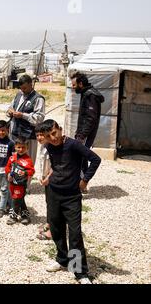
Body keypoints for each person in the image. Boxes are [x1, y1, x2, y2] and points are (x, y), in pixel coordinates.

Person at [40, 119, 101, 284]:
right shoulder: (48, 146)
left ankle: (79, 272)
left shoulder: (73, 145)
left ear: (60, 129)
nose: (52, 138)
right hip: (53, 193)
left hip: (72, 197)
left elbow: (95, 160)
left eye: (54, 133)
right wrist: (48, 177)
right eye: (48, 136)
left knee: (74, 234)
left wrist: (85, 180)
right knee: (56, 229)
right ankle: (62, 259)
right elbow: (55, 165)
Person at [71, 72, 105, 185]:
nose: (72, 87)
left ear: (80, 84)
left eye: (74, 85)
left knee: (80, 157)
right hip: (83, 132)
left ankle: (82, 183)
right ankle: (82, 183)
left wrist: (82, 135)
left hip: (85, 134)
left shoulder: (90, 95)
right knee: (83, 157)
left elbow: (91, 118)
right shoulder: (86, 93)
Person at [7, 74, 45, 173]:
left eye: (24, 88)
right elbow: (10, 107)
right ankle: (15, 185)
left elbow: (39, 118)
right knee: (14, 161)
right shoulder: (19, 95)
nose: (23, 90)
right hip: (15, 134)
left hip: (29, 136)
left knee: (27, 162)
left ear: (31, 84)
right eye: (21, 88)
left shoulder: (38, 98)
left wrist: (23, 115)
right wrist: (10, 111)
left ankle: (25, 186)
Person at [5, 137, 35, 225]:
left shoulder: (28, 160)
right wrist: (8, 174)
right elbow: (7, 167)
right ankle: (25, 216)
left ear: (27, 148)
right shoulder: (12, 158)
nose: (21, 149)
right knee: (20, 199)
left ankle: (13, 217)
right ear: (15, 147)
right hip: (12, 183)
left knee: (16, 200)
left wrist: (25, 172)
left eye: (23, 147)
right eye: (19, 147)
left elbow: (32, 171)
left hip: (21, 184)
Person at [35, 124, 53, 240]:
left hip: (52, 180)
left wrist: (48, 178)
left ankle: (52, 231)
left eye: (42, 135)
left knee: (54, 205)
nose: (40, 137)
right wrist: (40, 176)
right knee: (49, 202)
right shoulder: (42, 146)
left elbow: (55, 166)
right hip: (46, 180)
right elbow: (40, 162)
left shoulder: (51, 147)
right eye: (37, 135)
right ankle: (49, 223)